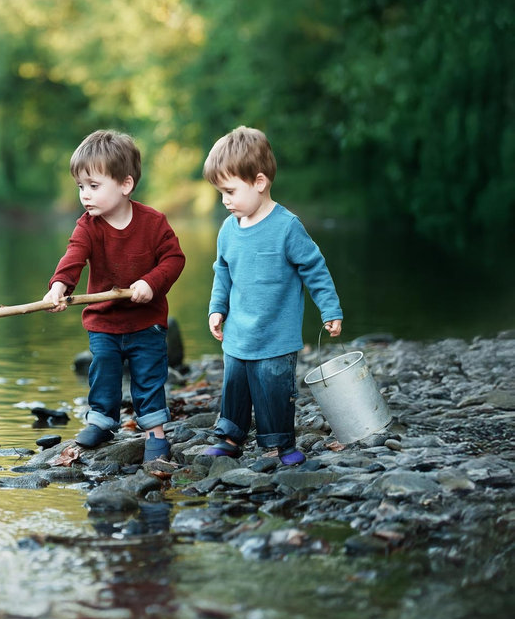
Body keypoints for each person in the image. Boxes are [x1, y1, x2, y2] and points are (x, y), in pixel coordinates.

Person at [202, 126, 344, 466]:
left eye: (231, 191)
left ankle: (280, 444)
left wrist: (330, 309)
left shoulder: (286, 227)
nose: (225, 200)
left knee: (275, 390)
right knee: (235, 388)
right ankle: (230, 437)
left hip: (276, 337)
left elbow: (315, 268)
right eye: (221, 192)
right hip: (238, 334)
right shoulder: (228, 230)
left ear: (260, 183)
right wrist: (217, 308)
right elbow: (222, 271)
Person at [43, 130, 186, 462]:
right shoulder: (87, 227)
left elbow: (174, 259)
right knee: (103, 368)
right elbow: (73, 257)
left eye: (94, 186)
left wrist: (151, 282)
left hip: (146, 322)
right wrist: (59, 287)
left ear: (125, 185)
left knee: (149, 374)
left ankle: (154, 433)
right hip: (104, 321)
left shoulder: (153, 223)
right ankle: (102, 420)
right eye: (81, 187)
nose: (85, 196)